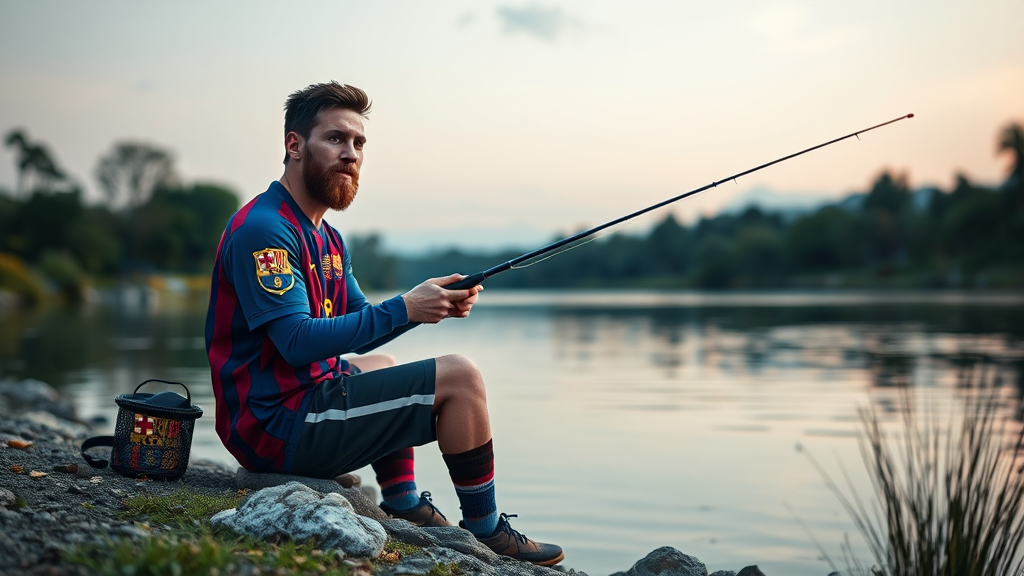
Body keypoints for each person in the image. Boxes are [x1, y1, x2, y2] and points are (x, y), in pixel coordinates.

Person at [204, 81, 563, 566]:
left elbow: (359, 321)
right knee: (461, 376)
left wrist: (429, 303)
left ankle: (402, 500)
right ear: (294, 145)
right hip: (274, 427)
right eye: (335, 139)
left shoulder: (326, 235)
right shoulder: (266, 229)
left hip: (298, 404)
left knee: (383, 361)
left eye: (359, 143)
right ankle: (487, 530)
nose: (350, 154)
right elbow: (293, 342)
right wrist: (406, 307)